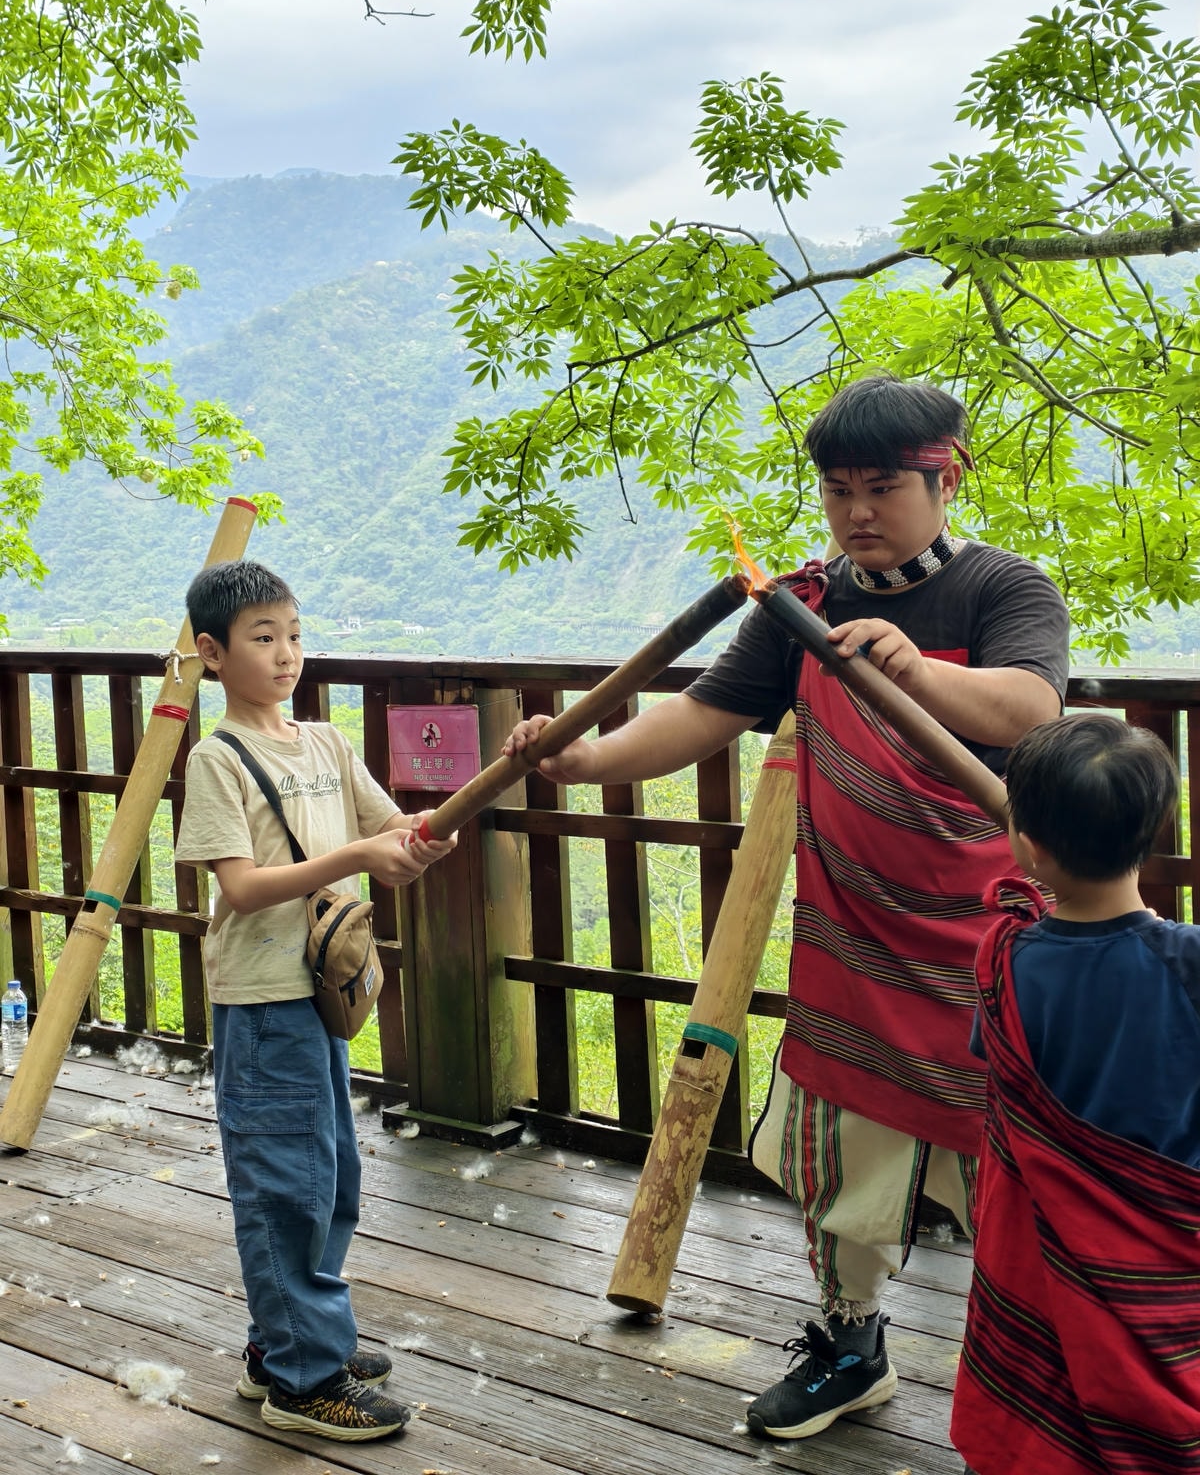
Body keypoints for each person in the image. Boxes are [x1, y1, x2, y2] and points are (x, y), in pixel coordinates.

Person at [503, 374, 1070, 1439]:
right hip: (854, 937)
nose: (858, 511)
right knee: (841, 1149)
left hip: (990, 941)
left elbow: (1031, 708)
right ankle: (851, 1343)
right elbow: (695, 717)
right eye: (839, 489)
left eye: (883, 487)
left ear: (947, 476)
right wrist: (581, 759)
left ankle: (1048, 1367)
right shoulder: (804, 603)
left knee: (1019, 1156)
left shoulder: (1007, 590)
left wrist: (914, 670)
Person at [175, 560, 456, 1442]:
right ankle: (306, 1376)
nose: (287, 653)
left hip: (320, 995)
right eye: (264, 638)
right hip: (260, 1002)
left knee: (330, 1178)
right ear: (215, 655)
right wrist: (361, 862)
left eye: (294, 633)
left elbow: (387, 829)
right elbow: (244, 888)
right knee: (284, 1187)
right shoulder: (218, 758)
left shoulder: (326, 744)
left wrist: (419, 839)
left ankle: (286, 1341)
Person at [952, 713, 1200, 1474]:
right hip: (1169, 1250)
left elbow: (994, 1069)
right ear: (1157, 827)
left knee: (1042, 1398)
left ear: (1025, 843)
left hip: (1039, 1246)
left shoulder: (1005, 961)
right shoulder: (1188, 962)